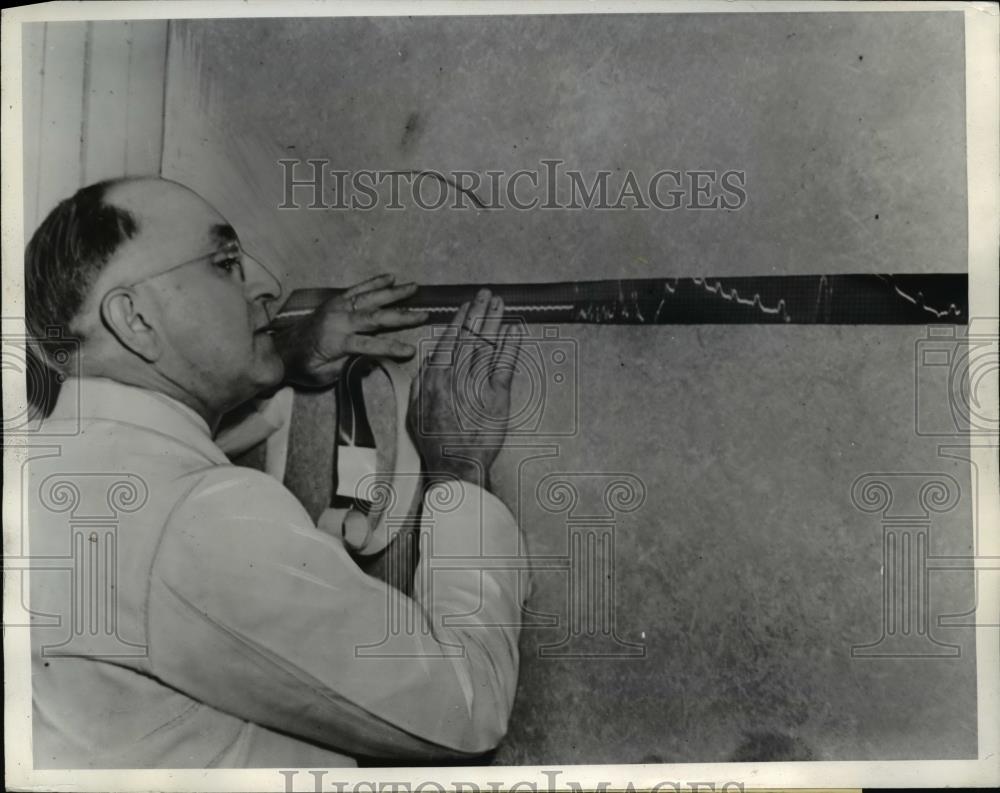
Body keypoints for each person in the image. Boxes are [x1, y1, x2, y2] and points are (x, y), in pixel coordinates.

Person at [25, 177, 526, 768]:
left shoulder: (43, 472)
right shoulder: (201, 521)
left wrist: (270, 362)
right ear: (134, 318)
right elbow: (468, 710)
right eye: (226, 262)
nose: (268, 286)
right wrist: (459, 470)